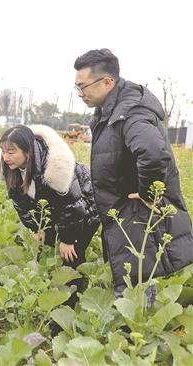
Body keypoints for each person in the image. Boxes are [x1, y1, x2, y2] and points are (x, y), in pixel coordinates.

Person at [73, 48, 193, 303]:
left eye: (83, 87)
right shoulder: (110, 111)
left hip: (136, 215)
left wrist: (150, 193)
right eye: (77, 88)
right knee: (134, 281)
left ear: (107, 81)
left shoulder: (132, 112)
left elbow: (153, 152)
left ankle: (138, 336)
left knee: (137, 286)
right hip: (124, 216)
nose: (80, 94)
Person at [0, 124, 100, 308]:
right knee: (45, 244)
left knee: (71, 255)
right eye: (3, 151)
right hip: (55, 210)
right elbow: (22, 206)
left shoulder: (55, 168)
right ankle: (50, 295)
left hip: (86, 207)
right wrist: (38, 228)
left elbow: (75, 207)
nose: (5, 157)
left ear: (28, 152)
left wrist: (67, 239)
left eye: (11, 152)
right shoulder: (12, 170)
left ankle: (71, 302)